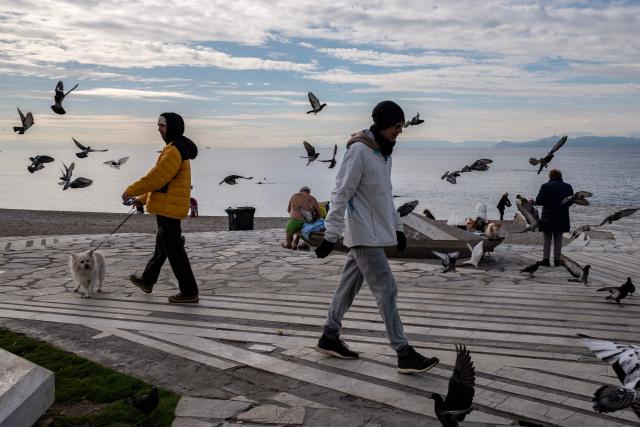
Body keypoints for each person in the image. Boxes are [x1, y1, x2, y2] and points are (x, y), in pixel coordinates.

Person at [314, 100, 439, 374]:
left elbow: (384, 195)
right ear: (384, 124)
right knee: (387, 289)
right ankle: (403, 352)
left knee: (347, 287)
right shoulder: (358, 152)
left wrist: (398, 228)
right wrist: (330, 234)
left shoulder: (383, 155)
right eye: (397, 126)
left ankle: (329, 337)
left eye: (401, 126)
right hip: (363, 235)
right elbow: (340, 193)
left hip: (372, 234)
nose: (400, 131)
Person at [122, 112, 200, 303]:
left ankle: (189, 292)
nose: (158, 129)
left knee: (175, 252)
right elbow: (162, 183)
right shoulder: (173, 147)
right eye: (158, 125)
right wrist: (143, 199)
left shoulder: (174, 151)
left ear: (172, 127)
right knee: (163, 247)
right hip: (168, 205)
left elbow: (156, 178)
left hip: (168, 209)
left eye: (162, 126)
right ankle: (147, 280)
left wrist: (130, 191)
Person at [535, 169, 573, 267]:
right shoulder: (568, 187)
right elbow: (571, 202)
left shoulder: (545, 186)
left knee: (547, 239)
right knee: (558, 239)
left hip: (548, 216)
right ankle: (557, 260)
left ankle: (546, 260)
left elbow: (538, 201)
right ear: (560, 176)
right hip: (562, 216)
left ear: (550, 176)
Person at [283, 186, 320, 250]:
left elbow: (288, 210)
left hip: (295, 220)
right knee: (301, 227)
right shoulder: (313, 199)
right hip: (308, 223)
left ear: (300, 191)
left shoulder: (295, 196)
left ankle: (288, 244)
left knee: (289, 231)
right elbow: (318, 213)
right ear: (309, 192)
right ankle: (295, 242)